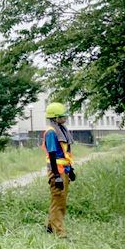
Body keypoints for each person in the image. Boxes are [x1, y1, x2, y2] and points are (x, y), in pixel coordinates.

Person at [42, 102, 76, 237]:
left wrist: (70, 169)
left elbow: (65, 153)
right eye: (63, 116)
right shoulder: (52, 132)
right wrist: (56, 176)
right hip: (57, 171)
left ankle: (50, 227)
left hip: (64, 169)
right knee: (58, 201)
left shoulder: (62, 130)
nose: (65, 118)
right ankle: (59, 234)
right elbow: (52, 154)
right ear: (55, 118)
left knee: (60, 200)